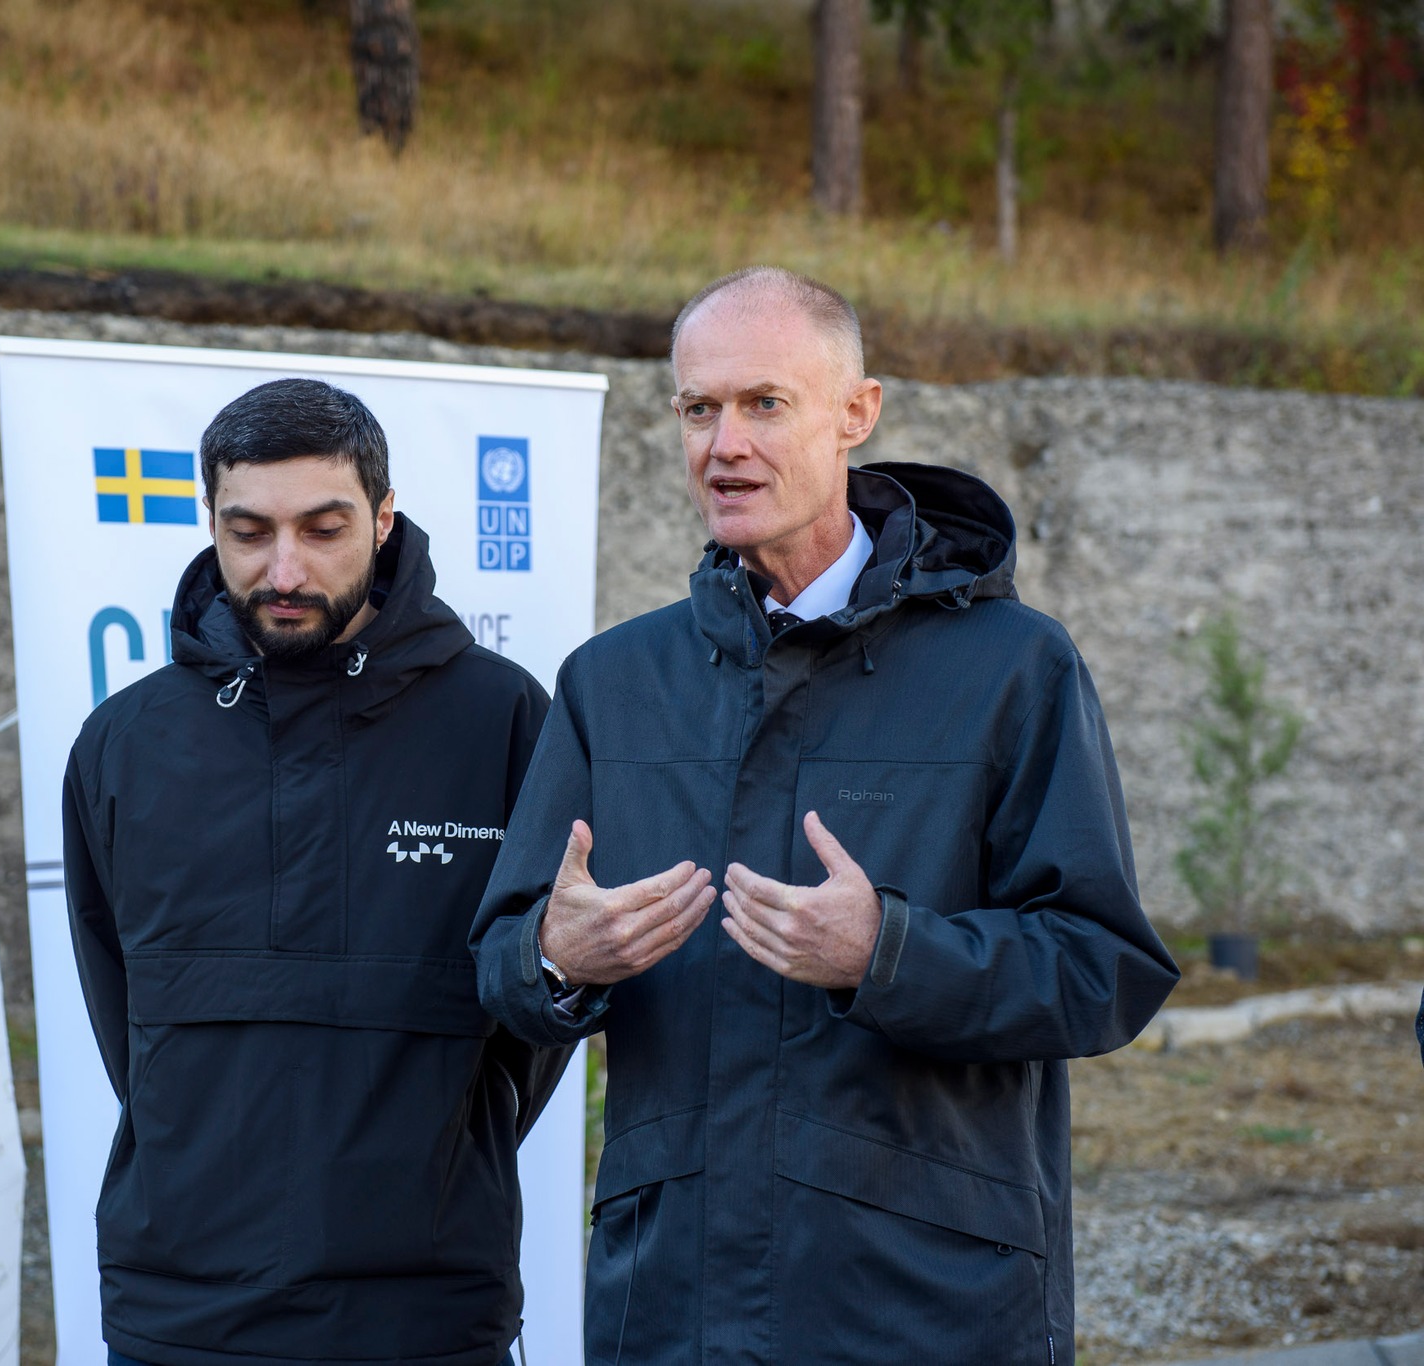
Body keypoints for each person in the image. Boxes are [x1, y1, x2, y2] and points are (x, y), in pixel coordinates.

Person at [471, 267, 1180, 1364]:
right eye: (697, 409)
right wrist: (559, 957)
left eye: (764, 403)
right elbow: (503, 963)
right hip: (671, 1310)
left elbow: (1103, 970)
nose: (724, 445)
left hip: (925, 1309)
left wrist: (887, 952)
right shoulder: (612, 682)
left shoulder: (1013, 667)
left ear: (857, 412)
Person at [63, 378, 565, 1366]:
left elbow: (529, 1026)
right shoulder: (124, 742)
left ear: (383, 518)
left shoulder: (504, 719)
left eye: (323, 529)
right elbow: (126, 1019)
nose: (282, 569)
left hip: (428, 1318)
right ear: (209, 522)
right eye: (247, 532)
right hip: (179, 1316)